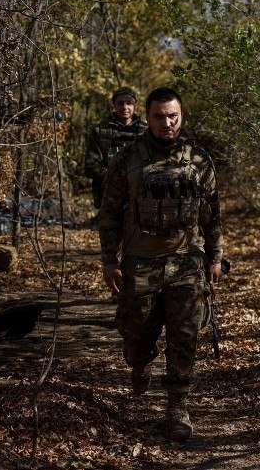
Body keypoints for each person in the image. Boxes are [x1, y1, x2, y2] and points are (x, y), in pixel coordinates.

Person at [98, 87, 223, 441]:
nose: (166, 122)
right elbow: (108, 212)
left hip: (187, 260)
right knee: (136, 332)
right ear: (147, 117)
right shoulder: (127, 159)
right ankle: (139, 363)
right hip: (141, 262)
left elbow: (213, 214)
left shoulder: (199, 160)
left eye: (173, 116)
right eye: (158, 116)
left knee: (184, 335)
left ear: (181, 116)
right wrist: (109, 260)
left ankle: (177, 408)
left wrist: (214, 257)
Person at [84, 86, 147, 209]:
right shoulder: (100, 131)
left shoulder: (147, 132)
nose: (124, 107)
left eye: (129, 103)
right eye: (120, 103)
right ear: (114, 105)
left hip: (140, 194)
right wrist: (115, 180)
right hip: (109, 196)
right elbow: (91, 165)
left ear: (136, 105)